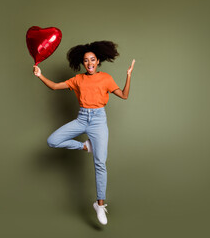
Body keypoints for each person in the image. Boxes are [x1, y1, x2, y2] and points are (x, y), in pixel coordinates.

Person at [33, 40, 135, 225]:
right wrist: (40, 75)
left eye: (93, 60)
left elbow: (124, 95)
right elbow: (55, 87)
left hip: (98, 121)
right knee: (52, 140)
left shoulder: (105, 78)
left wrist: (128, 76)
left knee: (100, 163)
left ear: (98, 61)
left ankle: (100, 204)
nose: (89, 63)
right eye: (86, 60)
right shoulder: (78, 79)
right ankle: (84, 146)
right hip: (81, 119)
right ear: (83, 63)